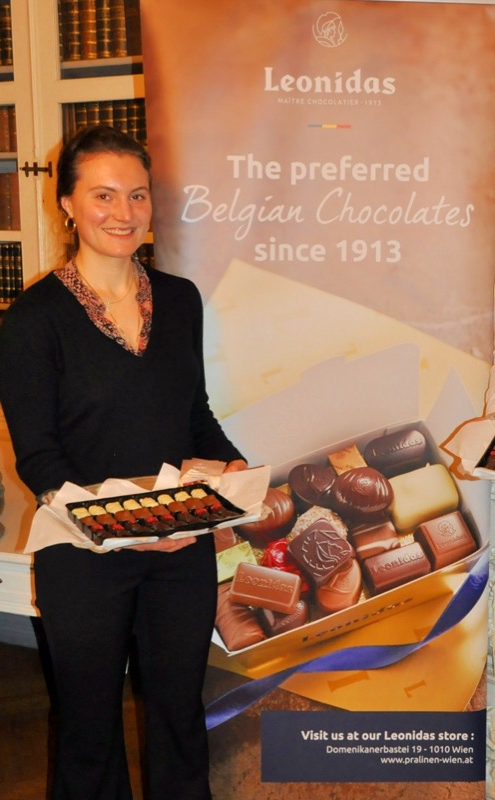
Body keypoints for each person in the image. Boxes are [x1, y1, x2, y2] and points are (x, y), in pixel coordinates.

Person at [0, 124, 247, 800]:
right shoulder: (31, 321)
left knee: (179, 719)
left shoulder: (180, 299)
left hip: (180, 549)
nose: (124, 212)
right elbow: (39, 460)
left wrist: (237, 472)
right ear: (67, 204)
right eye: (103, 195)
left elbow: (194, 416)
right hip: (83, 552)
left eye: (137, 195)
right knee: (87, 733)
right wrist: (126, 526)